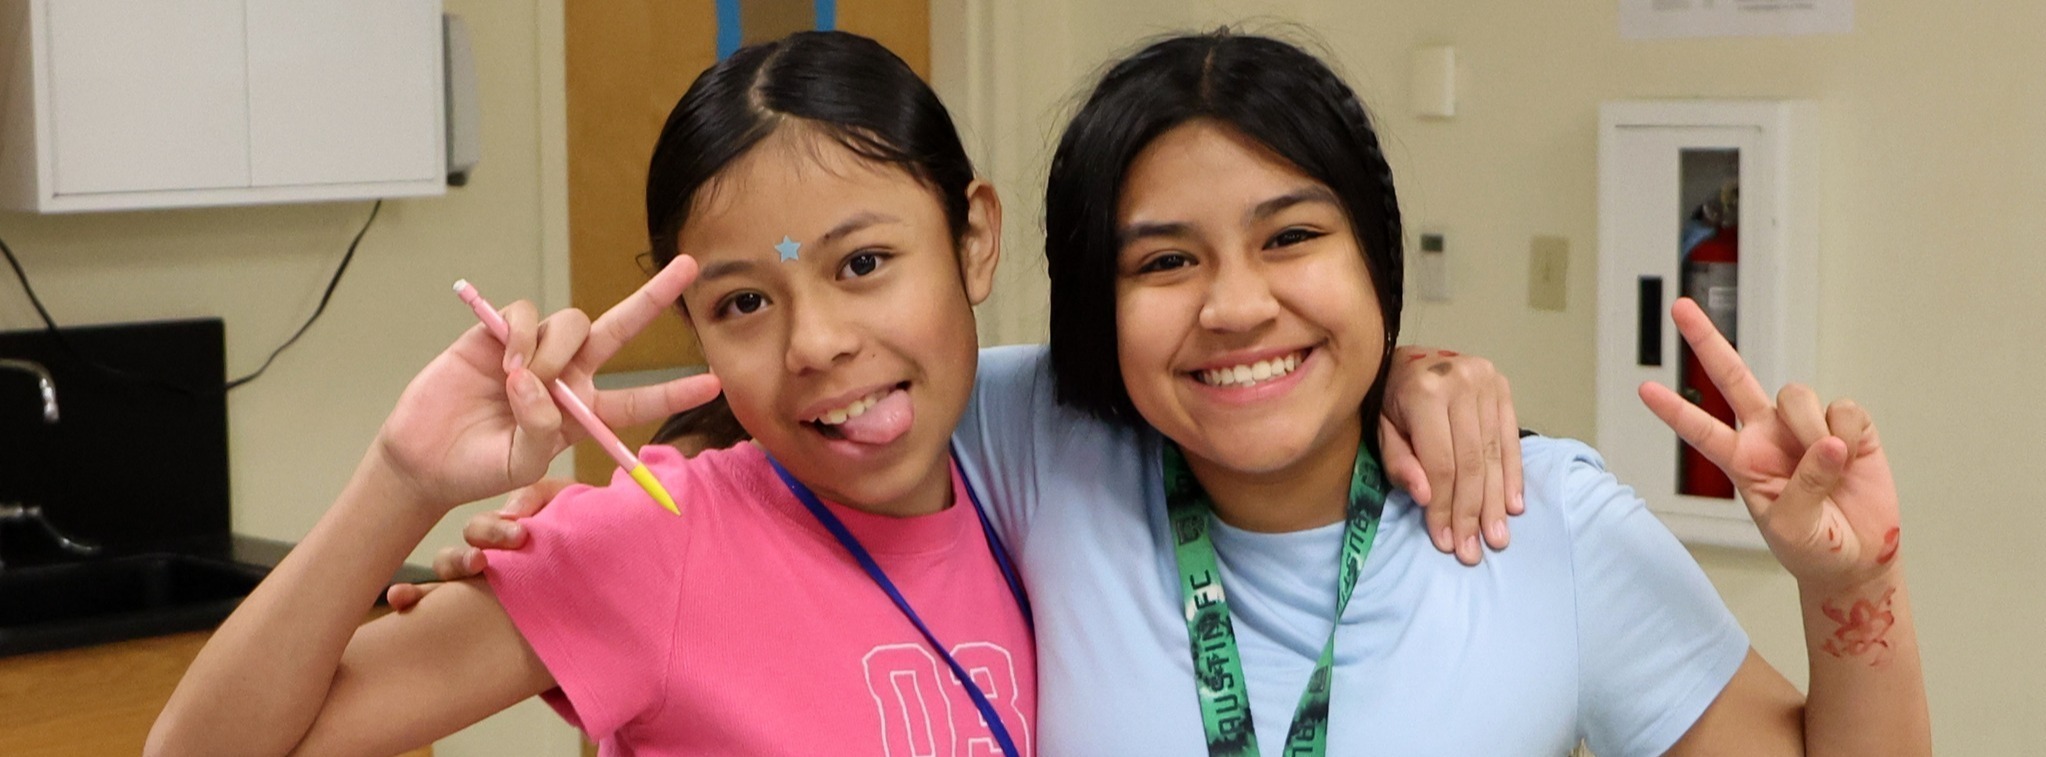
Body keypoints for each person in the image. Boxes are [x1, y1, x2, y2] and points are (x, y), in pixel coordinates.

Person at [437, 30, 1930, 756]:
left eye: (1291, 240)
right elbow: (830, 403)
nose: (1232, 304)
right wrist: (558, 515)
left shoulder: (1549, 524)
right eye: (1164, 261)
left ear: (1375, 259)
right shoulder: (1038, 438)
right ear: (1090, 299)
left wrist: (1850, 590)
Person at [149, 31, 1514, 757]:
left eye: (865, 263)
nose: (814, 343)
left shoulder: (1048, 466)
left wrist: (1403, 372)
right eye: (742, 300)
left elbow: (1215, 378)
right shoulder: (648, 535)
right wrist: (399, 480)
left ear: (973, 237)